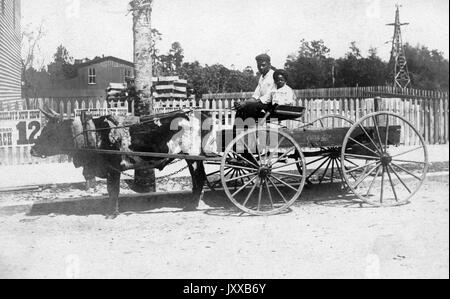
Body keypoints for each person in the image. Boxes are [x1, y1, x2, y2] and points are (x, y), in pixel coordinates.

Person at [235, 54, 277, 120]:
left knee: (250, 106)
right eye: (259, 65)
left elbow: (268, 98)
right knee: (241, 108)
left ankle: (248, 128)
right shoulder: (262, 77)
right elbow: (255, 96)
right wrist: (242, 103)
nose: (261, 67)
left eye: (263, 65)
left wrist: (246, 103)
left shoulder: (274, 75)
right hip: (263, 104)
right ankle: (238, 129)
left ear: (269, 65)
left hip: (272, 106)